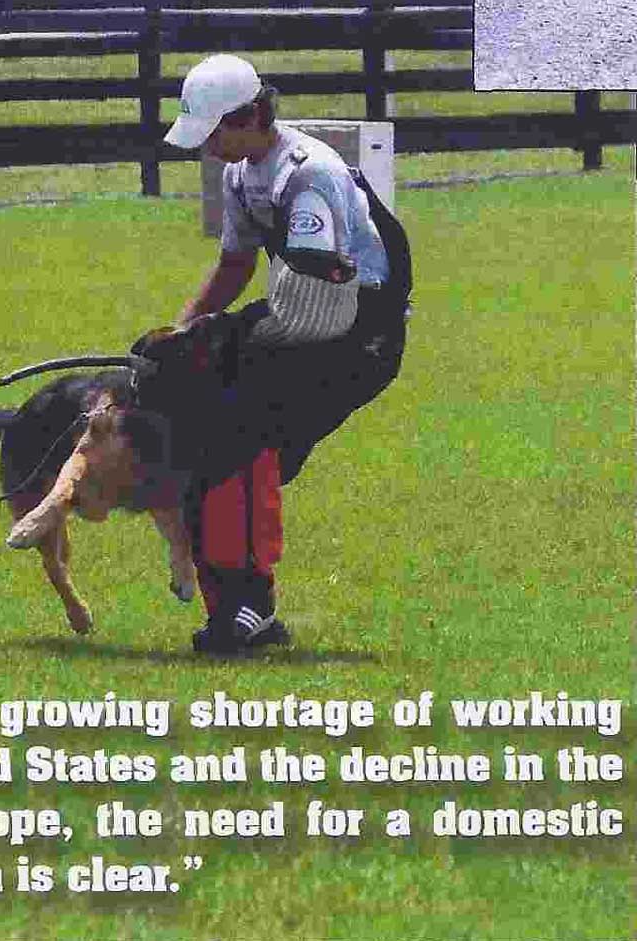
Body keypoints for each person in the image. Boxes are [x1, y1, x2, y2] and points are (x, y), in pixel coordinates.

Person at [162, 53, 412, 655]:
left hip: (357, 332)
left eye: (214, 133)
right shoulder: (239, 174)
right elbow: (235, 265)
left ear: (250, 117)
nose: (208, 148)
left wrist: (234, 347)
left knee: (243, 444)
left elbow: (316, 294)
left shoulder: (310, 174)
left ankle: (249, 608)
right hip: (303, 316)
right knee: (214, 438)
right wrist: (183, 330)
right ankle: (237, 607)